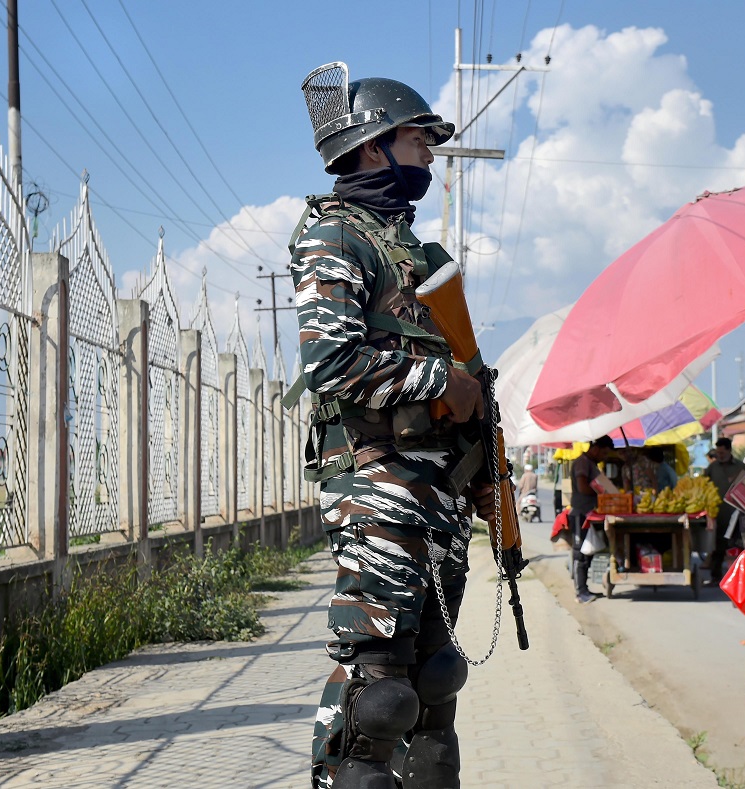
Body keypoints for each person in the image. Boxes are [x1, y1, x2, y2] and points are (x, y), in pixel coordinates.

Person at [290, 63, 496, 789]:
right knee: (379, 694)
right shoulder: (335, 239)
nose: (430, 159)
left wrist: (485, 476)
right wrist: (447, 383)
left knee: (435, 682)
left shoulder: (421, 256)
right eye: (419, 142)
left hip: (438, 499)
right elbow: (332, 363)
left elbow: (476, 388)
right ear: (375, 146)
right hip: (376, 487)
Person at [570, 435, 614, 603]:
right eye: (603, 453)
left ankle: (584, 589)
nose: (604, 457)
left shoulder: (591, 464)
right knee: (580, 552)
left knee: (588, 552)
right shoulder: (582, 462)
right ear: (596, 449)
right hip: (581, 513)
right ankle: (580, 592)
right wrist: (602, 492)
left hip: (590, 513)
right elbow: (582, 488)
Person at [704, 437, 745, 585]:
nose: (719, 455)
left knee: (738, 546)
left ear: (729, 450)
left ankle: (738, 579)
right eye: (718, 452)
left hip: (737, 513)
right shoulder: (712, 467)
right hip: (719, 513)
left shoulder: (741, 467)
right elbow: (704, 485)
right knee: (718, 546)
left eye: (722, 452)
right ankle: (715, 576)